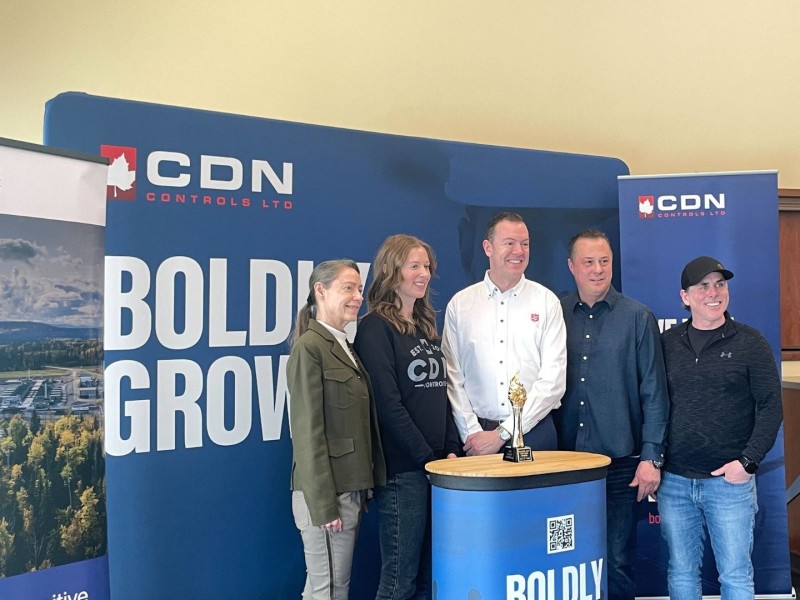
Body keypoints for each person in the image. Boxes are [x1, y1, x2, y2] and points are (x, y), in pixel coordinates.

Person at [553, 229, 669, 600]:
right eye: (588, 262)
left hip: (620, 463)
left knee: (617, 559)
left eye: (604, 261)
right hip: (561, 465)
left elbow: (654, 392)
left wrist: (652, 456)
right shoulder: (553, 315)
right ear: (572, 266)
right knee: (564, 558)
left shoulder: (638, 317)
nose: (598, 269)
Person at [659, 256, 783, 599]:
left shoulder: (750, 342)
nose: (713, 293)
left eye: (720, 284)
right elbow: (653, 405)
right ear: (685, 297)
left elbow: (772, 406)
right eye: (703, 286)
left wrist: (747, 463)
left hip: (730, 484)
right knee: (681, 573)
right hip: (675, 483)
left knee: (736, 576)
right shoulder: (667, 344)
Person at [353, 234, 461, 600]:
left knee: (430, 577)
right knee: (399, 580)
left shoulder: (425, 326)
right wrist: (427, 458)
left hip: (437, 470)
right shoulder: (374, 328)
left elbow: (440, 394)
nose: (424, 274)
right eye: (414, 266)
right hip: (404, 473)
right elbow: (387, 404)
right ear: (391, 270)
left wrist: (448, 451)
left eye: (427, 266)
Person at [287, 259, 386, 600]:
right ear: (320, 291)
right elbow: (307, 433)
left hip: (349, 491)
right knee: (330, 591)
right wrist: (324, 505)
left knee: (321, 589)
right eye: (348, 288)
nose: (357, 296)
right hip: (328, 496)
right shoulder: (309, 347)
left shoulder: (343, 344)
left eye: (359, 289)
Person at [442, 211, 566, 455]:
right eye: (509, 243)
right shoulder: (460, 305)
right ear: (488, 248)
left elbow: (553, 382)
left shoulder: (547, 302)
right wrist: (472, 434)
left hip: (534, 434)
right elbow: (452, 377)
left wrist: (503, 433)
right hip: (474, 436)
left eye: (525, 244)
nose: (518, 251)